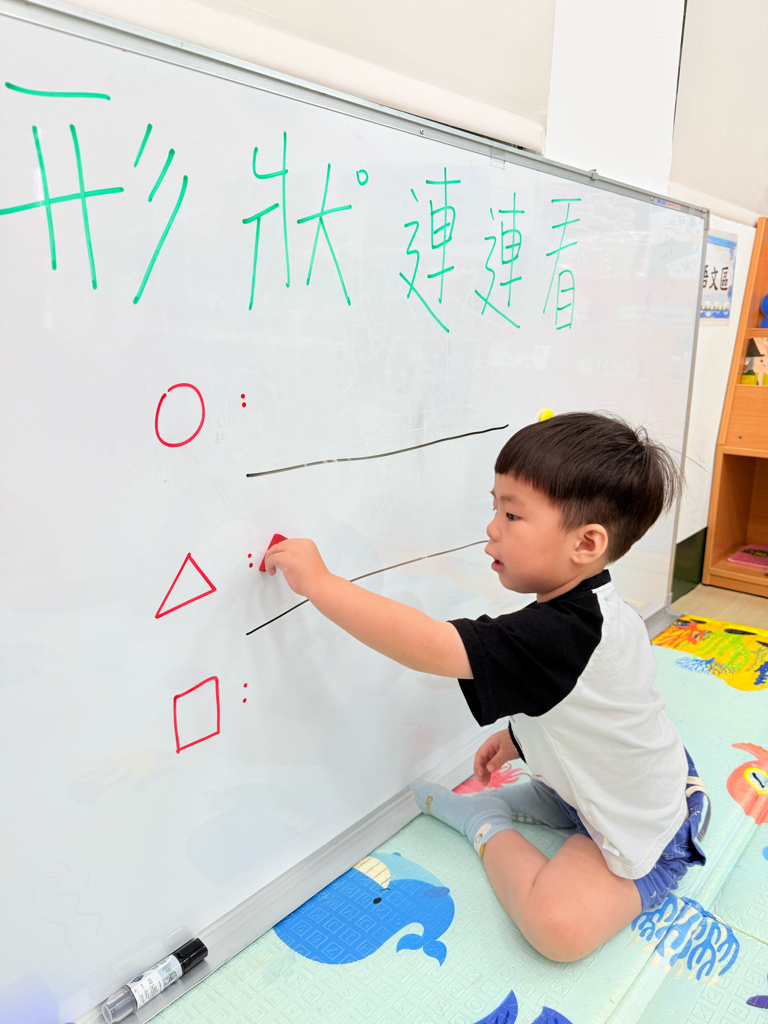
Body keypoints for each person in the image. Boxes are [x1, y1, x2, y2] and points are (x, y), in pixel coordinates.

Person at [263, 412, 710, 963]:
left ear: (586, 543)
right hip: (627, 772)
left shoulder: (562, 634)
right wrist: (519, 741)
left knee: (557, 931)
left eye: (512, 514)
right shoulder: (597, 608)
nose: (492, 528)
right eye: (495, 507)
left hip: (642, 825)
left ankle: (483, 821)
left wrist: (322, 584)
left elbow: (429, 645)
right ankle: (550, 799)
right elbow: (589, 708)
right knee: (565, 803)